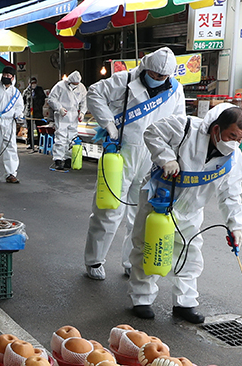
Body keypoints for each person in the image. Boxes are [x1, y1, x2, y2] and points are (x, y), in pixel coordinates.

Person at [128, 103, 242, 323]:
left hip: (191, 209)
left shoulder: (233, 157)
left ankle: (185, 303)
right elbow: (152, 132)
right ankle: (141, 298)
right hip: (159, 201)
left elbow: (231, 194)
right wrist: (166, 158)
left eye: (240, 138)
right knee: (147, 247)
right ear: (216, 129)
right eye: (232, 136)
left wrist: (235, 225)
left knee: (189, 253)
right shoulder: (185, 128)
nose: (235, 143)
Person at [84, 47, 186, 280]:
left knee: (139, 213)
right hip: (122, 153)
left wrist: (173, 155)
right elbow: (94, 93)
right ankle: (94, 260)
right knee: (109, 209)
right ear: (145, 67)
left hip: (152, 156)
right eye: (154, 74)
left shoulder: (175, 90)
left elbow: (179, 122)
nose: (158, 79)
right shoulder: (125, 79)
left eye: (163, 77)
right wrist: (108, 123)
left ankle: (131, 260)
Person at [47, 70, 87, 170]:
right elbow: (51, 99)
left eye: (77, 84)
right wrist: (59, 108)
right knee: (61, 137)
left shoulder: (81, 88)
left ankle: (69, 159)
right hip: (62, 115)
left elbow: (84, 101)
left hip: (74, 116)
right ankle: (58, 160)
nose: (75, 85)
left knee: (72, 138)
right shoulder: (60, 86)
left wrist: (82, 112)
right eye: (74, 84)